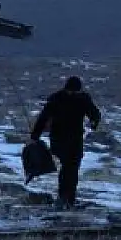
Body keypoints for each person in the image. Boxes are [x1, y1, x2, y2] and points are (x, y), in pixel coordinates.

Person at [31, 76, 102, 208]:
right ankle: (64, 197)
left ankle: (69, 198)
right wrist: (35, 135)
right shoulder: (57, 98)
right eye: (72, 92)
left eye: (75, 92)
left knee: (72, 168)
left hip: (75, 138)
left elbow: (95, 113)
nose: (73, 94)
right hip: (60, 138)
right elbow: (43, 117)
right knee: (67, 167)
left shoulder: (82, 98)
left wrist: (94, 122)